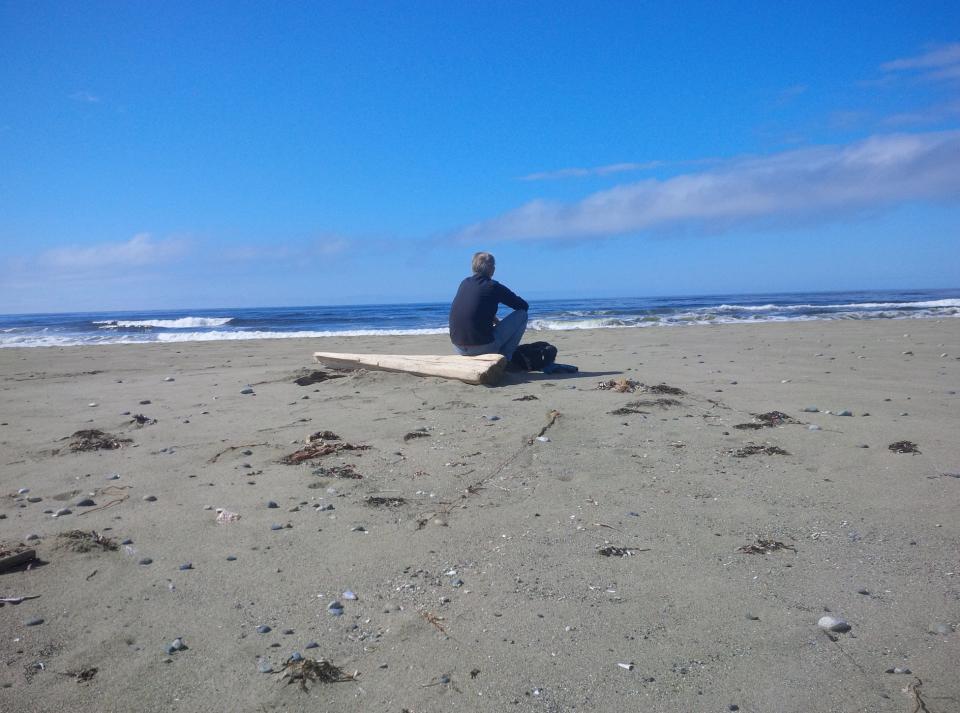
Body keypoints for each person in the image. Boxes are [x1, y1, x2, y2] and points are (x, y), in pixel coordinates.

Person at [449, 252, 528, 359]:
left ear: (473, 267)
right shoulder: (493, 286)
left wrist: (496, 320)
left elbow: (474, 310)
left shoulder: (464, 283)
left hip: (458, 347)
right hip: (483, 348)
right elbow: (523, 306)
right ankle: (506, 358)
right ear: (492, 269)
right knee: (522, 315)